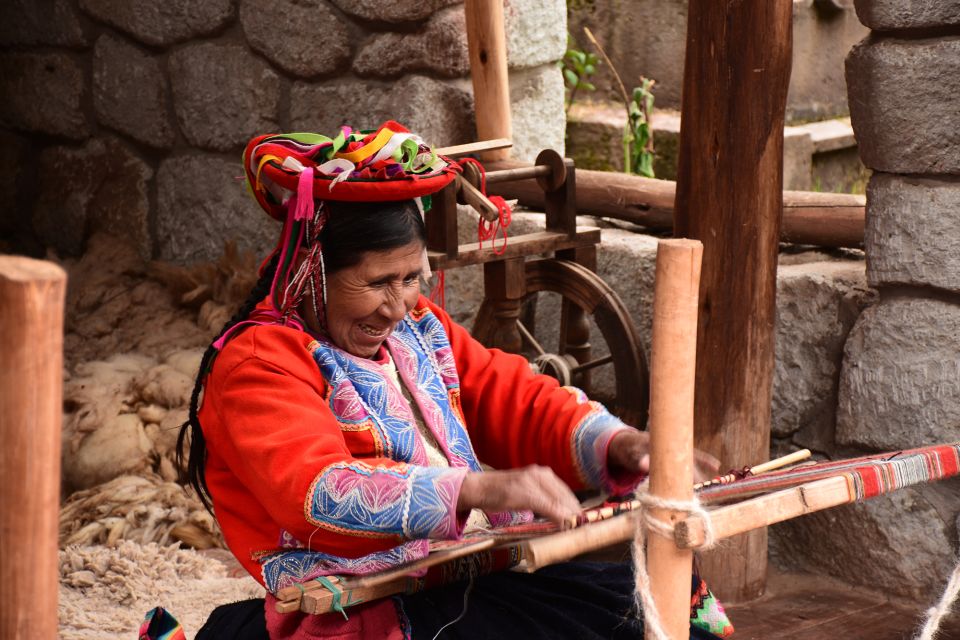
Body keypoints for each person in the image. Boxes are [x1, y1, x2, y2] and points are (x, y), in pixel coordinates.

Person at [178, 122, 729, 640]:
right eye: (376, 283)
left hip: (462, 574)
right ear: (312, 271)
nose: (397, 306)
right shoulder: (258, 362)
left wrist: (616, 442)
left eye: (411, 278)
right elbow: (317, 492)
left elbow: (510, 396)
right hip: (364, 608)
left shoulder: (421, 329)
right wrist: (473, 489)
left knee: (666, 605)